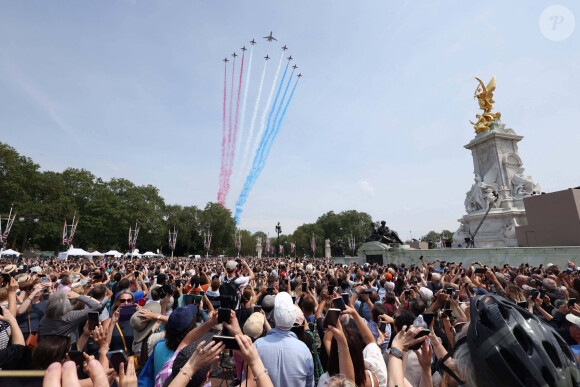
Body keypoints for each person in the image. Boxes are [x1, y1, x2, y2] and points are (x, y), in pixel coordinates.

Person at [253, 292, 314, 386]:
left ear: (273, 318)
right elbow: (309, 383)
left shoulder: (257, 345)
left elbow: (249, 379)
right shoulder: (304, 350)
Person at [38, 290, 103, 342]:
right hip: (67, 349)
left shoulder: (45, 317)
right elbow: (98, 306)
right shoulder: (69, 316)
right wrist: (78, 296)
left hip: (47, 348)